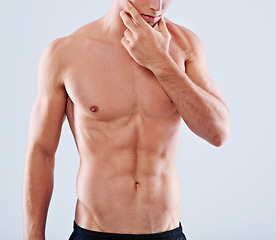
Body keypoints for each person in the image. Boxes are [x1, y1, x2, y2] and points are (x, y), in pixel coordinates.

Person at [23, 0, 230, 239]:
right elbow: (41, 152)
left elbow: (218, 132)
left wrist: (161, 63)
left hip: (166, 232)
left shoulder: (185, 47)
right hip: (94, 232)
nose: (158, 6)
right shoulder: (66, 53)